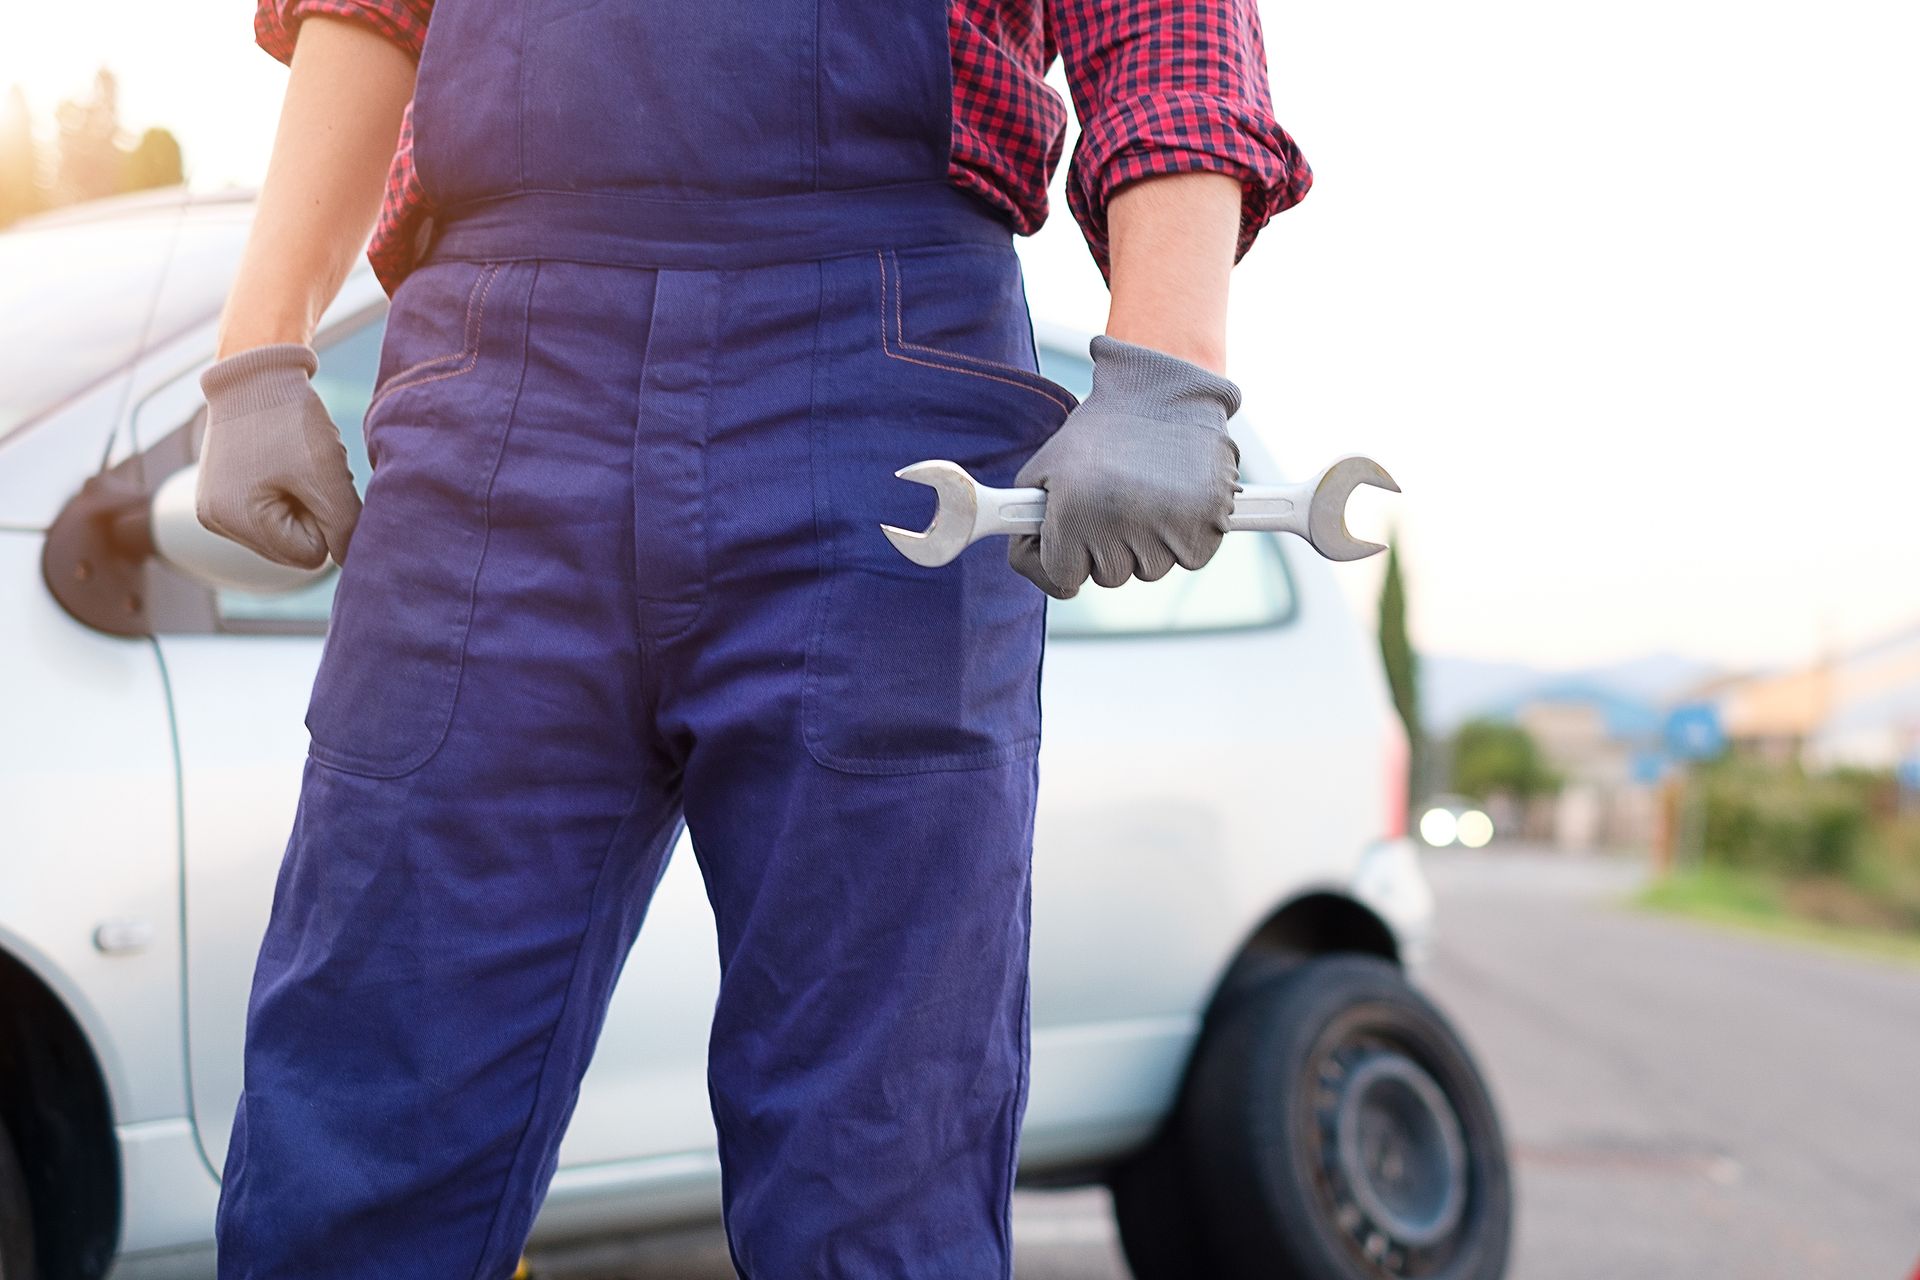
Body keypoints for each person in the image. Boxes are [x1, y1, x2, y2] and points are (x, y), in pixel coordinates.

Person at [194, 0, 1309, 1275]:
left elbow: (1166, 20)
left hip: (884, 385)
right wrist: (261, 344)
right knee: (362, 1118)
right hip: (501, 375)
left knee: (875, 1167)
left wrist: (1171, 351)